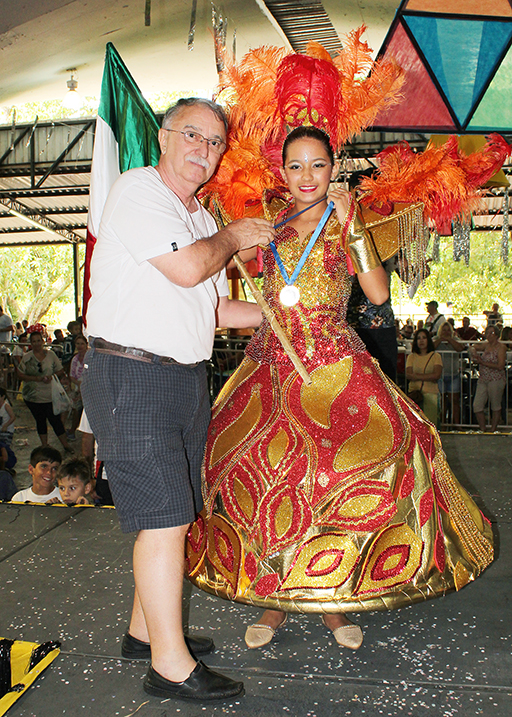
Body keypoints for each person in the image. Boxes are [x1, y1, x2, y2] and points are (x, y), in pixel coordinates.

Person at [187, 127, 493, 653]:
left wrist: (355, 230)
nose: (307, 177)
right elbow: (262, 300)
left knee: (352, 466)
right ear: (282, 171)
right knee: (256, 470)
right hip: (270, 363)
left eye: (318, 166)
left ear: (335, 168)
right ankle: (274, 599)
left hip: (334, 363)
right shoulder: (268, 224)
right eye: (296, 166)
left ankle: (334, 599)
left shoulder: (348, 219)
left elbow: (376, 294)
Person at [82, 98, 274, 703]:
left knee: (177, 510)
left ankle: (146, 632)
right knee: (165, 518)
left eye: (215, 142)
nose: (204, 149)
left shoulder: (197, 216)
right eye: (192, 134)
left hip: (183, 376)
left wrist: (287, 314)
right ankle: (169, 666)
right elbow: (192, 270)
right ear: (163, 138)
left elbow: (215, 310)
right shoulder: (142, 191)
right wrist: (237, 234)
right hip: (129, 372)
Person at [16, 331, 72, 452]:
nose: (37, 344)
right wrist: (35, 379)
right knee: (40, 421)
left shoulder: (51, 355)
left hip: (50, 395)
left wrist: (51, 376)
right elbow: (20, 374)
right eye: (34, 341)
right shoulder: (27, 357)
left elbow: (60, 370)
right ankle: (44, 445)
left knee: (55, 421)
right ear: (31, 343)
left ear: (43, 341)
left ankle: (66, 445)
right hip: (33, 396)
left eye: (38, 341)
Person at [470, 325, 507, 433]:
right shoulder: (485, 345)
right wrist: (473, 352)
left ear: (496, 335)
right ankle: (483, 428)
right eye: (487, 333)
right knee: (477, 405)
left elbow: (500, 365)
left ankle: (493, 429)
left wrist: (483, 363)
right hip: (483, 378)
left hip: (496, 379)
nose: (489, 335)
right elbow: (474, 346)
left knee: (495, 404)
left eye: (491, 333)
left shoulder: (501, 347)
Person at [406, 328, 443, 426]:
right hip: (414, 394)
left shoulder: (436, 356)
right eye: (418, 338)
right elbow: (409, 375)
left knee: (430, 425)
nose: (421, 340)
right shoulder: (411, 357)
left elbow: (436, 375)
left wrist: (417, 376)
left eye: (424, 338)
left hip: (431, 394)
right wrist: (427, 376)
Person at [433, 321, 465, 426]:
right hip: (440, 376)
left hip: (454, 375)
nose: (446, 332)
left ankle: (457, 425)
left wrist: (450, 339)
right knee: (441, 402)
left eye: (448, 330)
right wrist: (440, 339)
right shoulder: (435, 340)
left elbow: (460, 348)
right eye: (444, 330)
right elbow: (430, 347)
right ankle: (442, 424)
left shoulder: (456, 340)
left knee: (454, 401)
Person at [67, 335, 88, 440]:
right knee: (76, 410)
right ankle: (72, 430)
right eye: (78, 344)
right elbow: (71, 375)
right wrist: (78, 384)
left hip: (89, 389)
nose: (80, 346)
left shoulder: (90, 358)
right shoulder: (75, 359)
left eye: (82, 344)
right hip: (77, 389)